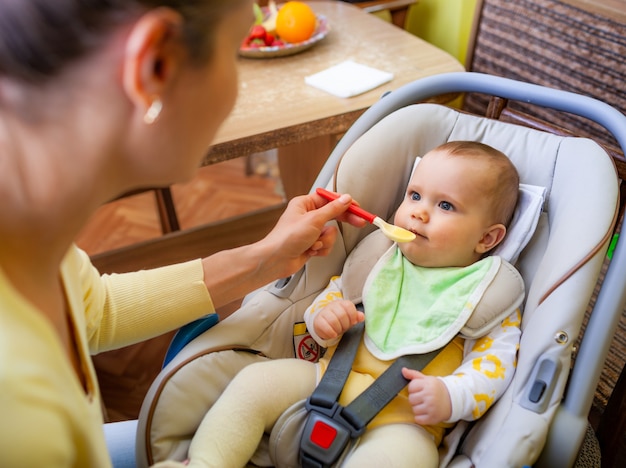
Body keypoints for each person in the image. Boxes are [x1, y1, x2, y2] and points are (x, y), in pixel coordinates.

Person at [0, 1, 366, 467]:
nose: (240, 90)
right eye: (234, 53)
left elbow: (94, 309)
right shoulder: (20, 413)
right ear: (156, 64)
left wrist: (267, 258)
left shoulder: (30, 237)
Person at [154, 141, 524, 468]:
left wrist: (452, 395)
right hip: (327, 379)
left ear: (487, 238)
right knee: (253, 382)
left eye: (445, 205)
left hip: (406, 422)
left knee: (403, 460)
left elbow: (495, 366)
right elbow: (334, 294)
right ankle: (204, 462)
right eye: (414, 195)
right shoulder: (378, 258)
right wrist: (325, 320)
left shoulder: (487, 294)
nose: (419, 213)